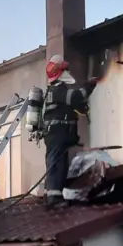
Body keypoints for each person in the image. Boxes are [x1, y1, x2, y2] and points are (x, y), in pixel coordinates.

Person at [41, 54, 98, 207]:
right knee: (57, 164)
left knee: (56, 163)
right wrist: (90, 85)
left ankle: (50, 195)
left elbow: (70, 105)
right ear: (60, 71)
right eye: (65, 69)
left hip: (56, 134)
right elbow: (76, 97)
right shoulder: (58, 89)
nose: (68, 71)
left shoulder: (53, 90)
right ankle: (54, 198)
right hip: (57, 133)